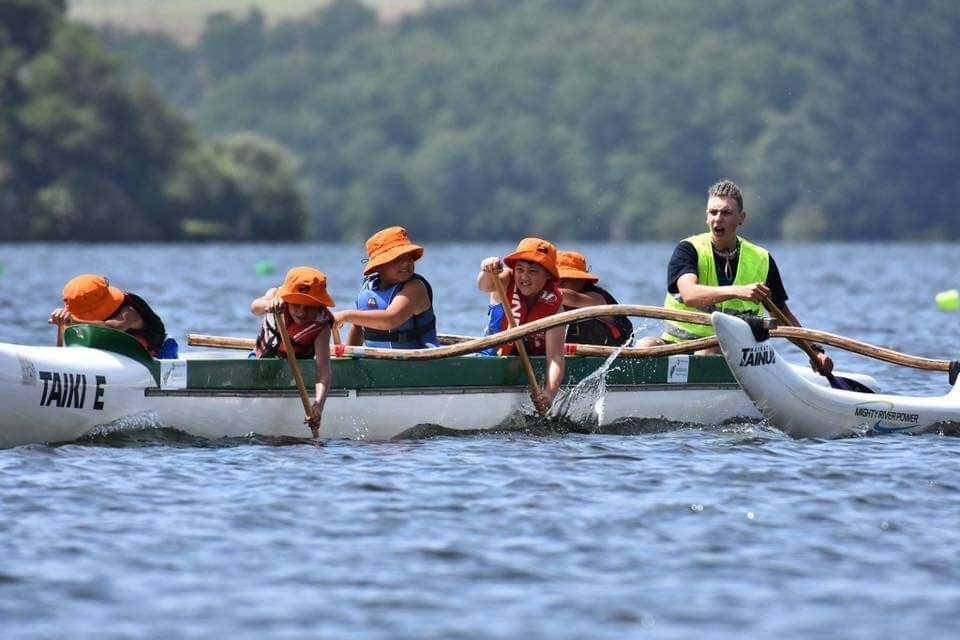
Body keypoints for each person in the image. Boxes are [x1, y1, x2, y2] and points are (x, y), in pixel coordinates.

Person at [636, 179, 833, 374]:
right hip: (677, 345)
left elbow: (783, 316)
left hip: (737, 352)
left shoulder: (761, 259)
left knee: (707, 352)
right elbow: (690, 295)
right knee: (644, 345)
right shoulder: (688, 250)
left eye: (726, 213)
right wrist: (738, 291)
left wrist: (814, 352)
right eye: (713, 212)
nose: (718, 218)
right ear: (706, 216)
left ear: (741, 218)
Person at [477, 237, 566, 414]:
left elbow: (555, 357)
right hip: (493, 356)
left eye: (533, 271)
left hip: (533, 362)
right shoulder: (503, 280)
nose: (524, 277)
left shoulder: (556, 308)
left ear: (548, 274)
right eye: (520, 269)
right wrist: (487, 268)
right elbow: (483, 285)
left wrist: (549, 393)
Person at [251, 266, 335, 431]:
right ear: (287, 299)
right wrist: (268, 304)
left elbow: (323, 371)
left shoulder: (321, 326)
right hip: (260, 361)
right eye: (296, 305)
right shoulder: (275, 295)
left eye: (309, 307)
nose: (302, 313)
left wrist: (318, 406)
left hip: (296, 372)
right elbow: (254, 307)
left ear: (319, 306)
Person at [334, 226, 438, 349]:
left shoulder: (415, 288)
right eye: (397, 258)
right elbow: (358, 327)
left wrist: (346, 316)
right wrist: (349, 360)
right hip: (383, 361)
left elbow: (390, 319)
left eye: (408, 256)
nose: (405, 263)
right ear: (379, 266)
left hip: (418, 360)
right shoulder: (368, 287)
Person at [49, 274, 172, 357]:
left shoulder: (129, 312)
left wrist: (74, 322)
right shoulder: (76, 308)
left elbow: (111, 328)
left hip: (160, 354)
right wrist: (62, 323)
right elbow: (62, 351)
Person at [556, 250, 633, 346]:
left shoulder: (595, 298)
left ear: (582, 281)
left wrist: (541, 292)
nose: (557, 286)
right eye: (554, 281)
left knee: (649, 342)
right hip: (572, 350)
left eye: (564, 281)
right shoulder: (549, 299)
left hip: (616, 347)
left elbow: (573, 298)